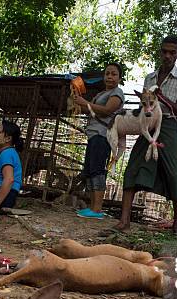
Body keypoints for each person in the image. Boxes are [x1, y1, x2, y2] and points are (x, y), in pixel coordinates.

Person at [113, 35, 177, 234]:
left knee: (174, 172)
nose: (167, 55)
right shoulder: (150, 77)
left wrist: (163, 98)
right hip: (146, 123)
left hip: (167, 125)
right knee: (133, 166)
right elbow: (145, 103)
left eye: (172, 52)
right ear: (160, 52)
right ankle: (124, 221)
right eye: (164, 51)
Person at [72, 63, 125, 219]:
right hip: (94, 135)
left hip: (103, 135)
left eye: (114, 74)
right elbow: (89, 109)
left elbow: (108, 110)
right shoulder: (102, 93)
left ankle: (97, 209)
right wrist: (76, 101)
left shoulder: (117, 92)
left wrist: (84, 103)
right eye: (107, 73)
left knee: (97, 170)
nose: (109, 76)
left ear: (119, 78)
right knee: (90, 170)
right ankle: (93, 208)